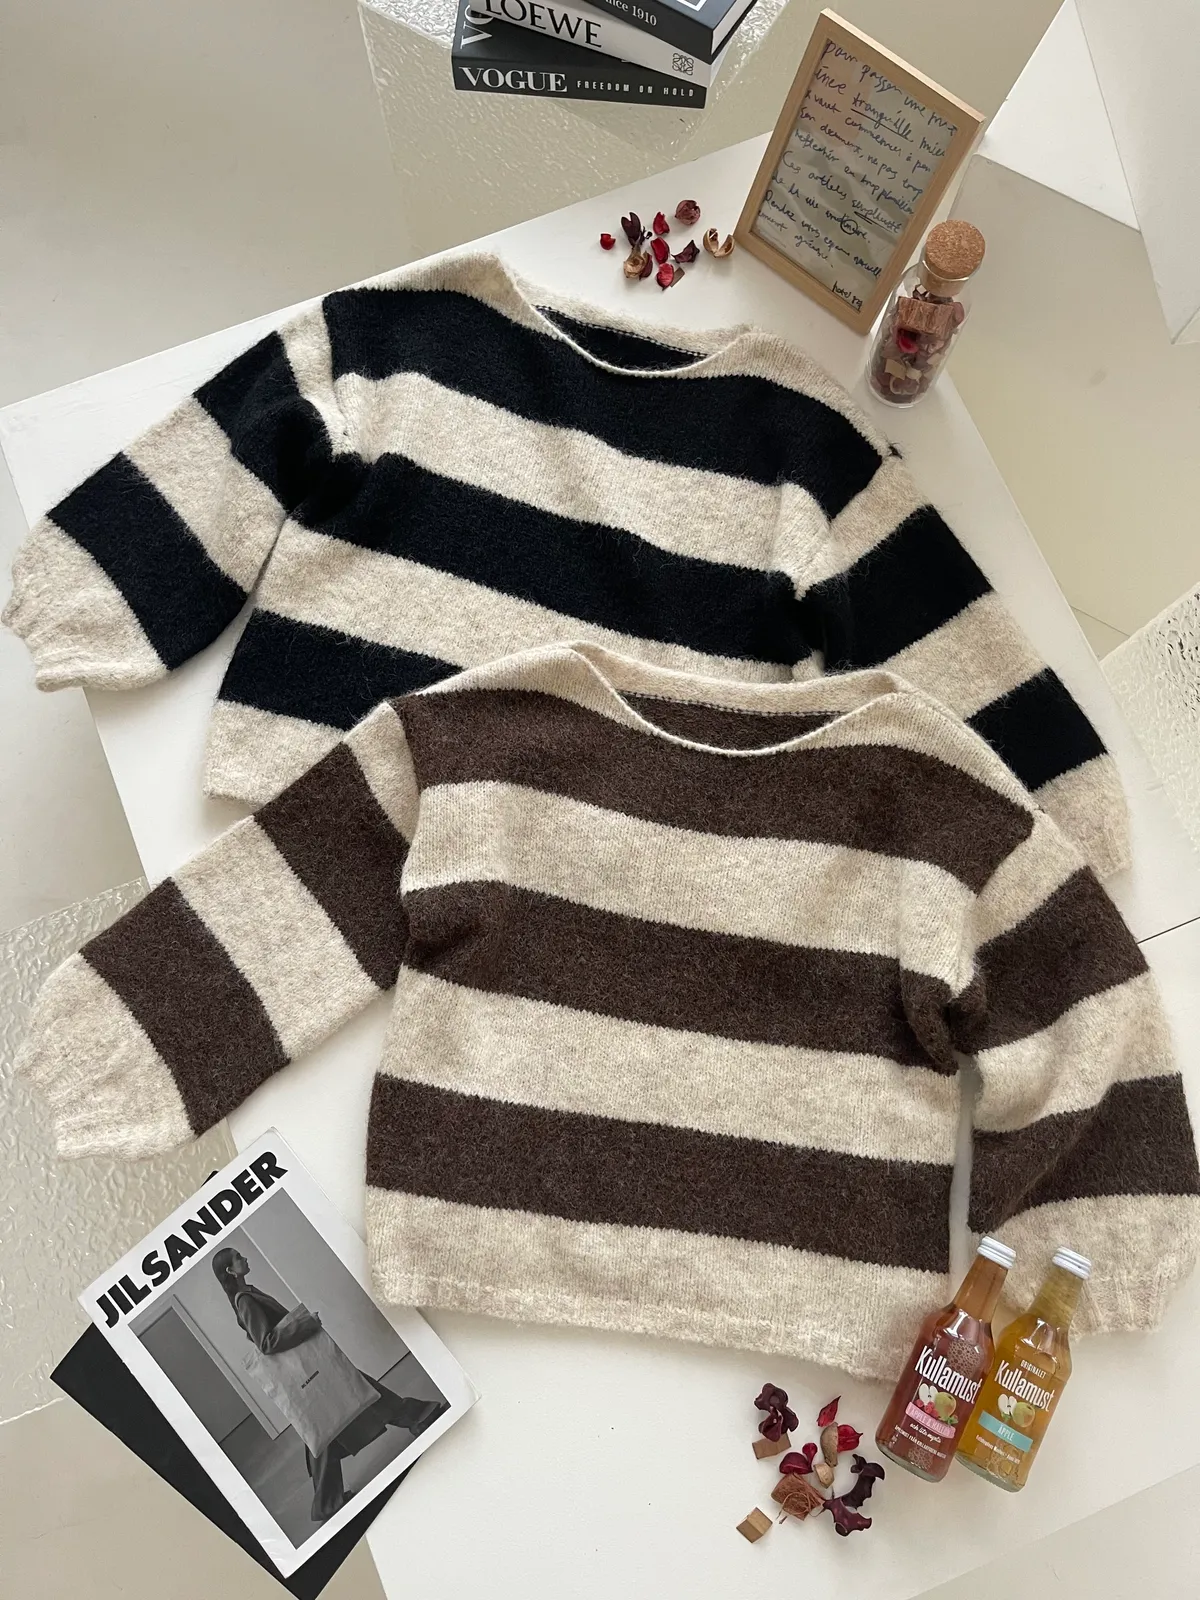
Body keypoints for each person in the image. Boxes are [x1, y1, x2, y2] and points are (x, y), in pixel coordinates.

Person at [211, 1246, 445, 1523]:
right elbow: (267, 1343)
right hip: (307, 1368)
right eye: (239, 1258)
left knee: (343, 1409)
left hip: (309, 1369)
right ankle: (417, 1418)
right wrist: (306, 1324)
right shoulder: (245, 1301)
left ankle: (328, 1501)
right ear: (230, 1270)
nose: (245, 1258)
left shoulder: (247, 1293)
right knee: (348, 1403)